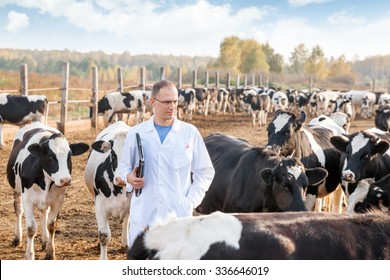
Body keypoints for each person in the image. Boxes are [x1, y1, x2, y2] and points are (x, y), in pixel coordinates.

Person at [117, 80, 215, 246]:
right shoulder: (137, 133)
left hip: (178, 216)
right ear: (153, 102)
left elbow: (205, 172)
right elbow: (123, 166)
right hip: (144, 216)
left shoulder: (189, 133)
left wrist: (190, 201)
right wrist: (129, 178)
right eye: (167, 102)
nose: (172, 107)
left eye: (175, 101)